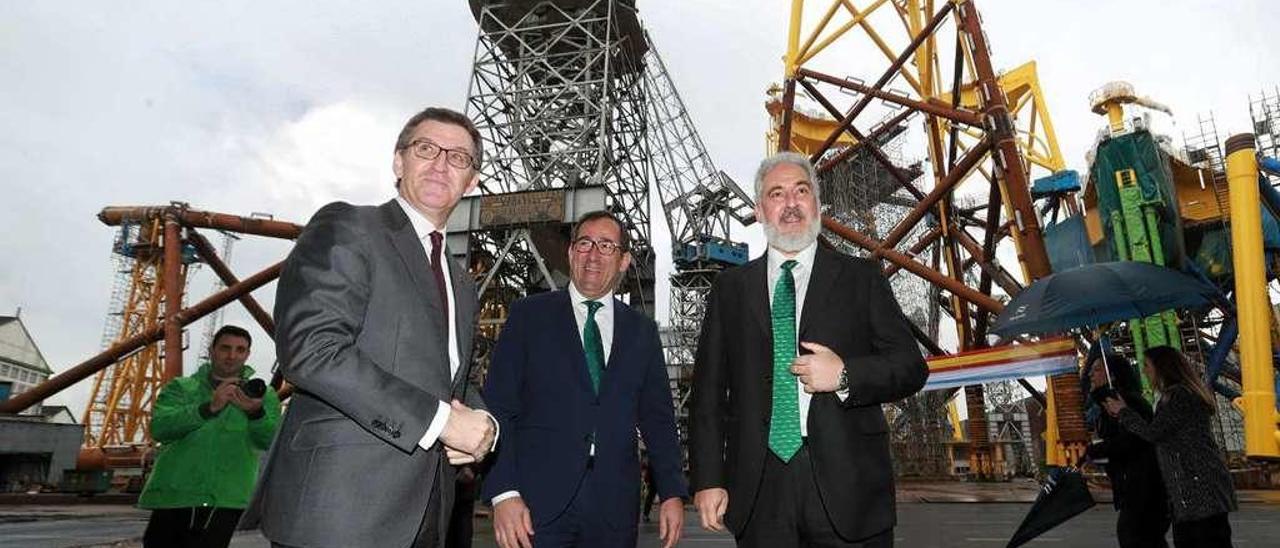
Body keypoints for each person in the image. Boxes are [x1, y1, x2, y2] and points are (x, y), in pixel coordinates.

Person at [249, 107, 499, 548]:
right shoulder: (349, 226)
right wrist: (440, 422)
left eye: (459, 158)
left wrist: (485, 426)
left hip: (427, 510)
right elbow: (312, 350)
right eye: (427, 149)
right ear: (399, 162)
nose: (442, 164)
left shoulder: (461, 282)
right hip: (341, 509)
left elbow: (454, 381)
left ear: (472, 181)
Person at [688, 151, 928, 547]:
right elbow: (708, 396)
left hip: (849, 489)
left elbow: (910, 367)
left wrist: (845, 375)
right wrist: (709, 478)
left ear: (816, 204)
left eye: (801, 191)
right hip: (759, 490)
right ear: (759, 211)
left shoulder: (861, 277)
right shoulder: (729, 290)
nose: (790, 203)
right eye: (776, 194)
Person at [481, 211, 688, 548]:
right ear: (570, 253)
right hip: (535, 507)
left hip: (614, 510)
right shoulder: (528, 316)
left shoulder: (642, 333)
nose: (593, 255)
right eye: (585, 243)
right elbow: (499, 408)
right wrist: (504, 492)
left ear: (624, 261)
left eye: (607, 246)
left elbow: (658, 420)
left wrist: (672, 492)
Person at [139, 325, 281, 548]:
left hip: (225, 500)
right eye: (225, 348)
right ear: (212, 350)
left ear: (247, 354)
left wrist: (255, 413)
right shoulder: (181, 388)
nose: (232, 356)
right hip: (175, 496)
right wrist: (208, 408)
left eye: (240, 350)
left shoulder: (264, 397)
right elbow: (160, 428)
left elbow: (270, 442)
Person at [1103, 346, 1237, 548]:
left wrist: (1124, 412)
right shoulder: (1177, 395)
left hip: (1198, 492)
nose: (1144, 372)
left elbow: (1154, 433)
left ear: (1162, 368)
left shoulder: (1179, 396)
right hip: (1192, 494)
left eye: (1147, 366)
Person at [1083, 351, 1169, 547]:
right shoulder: (1108, 405)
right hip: (1135, 488)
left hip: (1145, 489)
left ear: (1112, 376)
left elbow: (1132, 441)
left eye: (1097, 369)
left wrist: (1093, 451)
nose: (1089, 374)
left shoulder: (1126, 402)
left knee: (1135, 537)